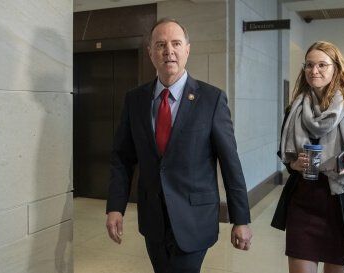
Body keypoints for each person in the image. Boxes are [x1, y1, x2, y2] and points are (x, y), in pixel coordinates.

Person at [105, 18, 252, 273]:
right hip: (153, 219)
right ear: (150, 52)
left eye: (175, 43)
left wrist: (241, 219)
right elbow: (122, 158)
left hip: (194, 217)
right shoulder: (135, 100)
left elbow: (230, 163)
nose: (168, 51)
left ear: (187, 49)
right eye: (160, 44)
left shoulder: (211, 99)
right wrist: (115, 207)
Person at [272, 41, 344, 273]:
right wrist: (293, 164)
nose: (314, 71)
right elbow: (285, 153)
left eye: (322, 65)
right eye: (309, 65)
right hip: (303, 204)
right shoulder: (293, 109)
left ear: (336, 69)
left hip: (343, 207)